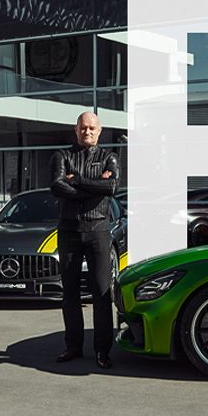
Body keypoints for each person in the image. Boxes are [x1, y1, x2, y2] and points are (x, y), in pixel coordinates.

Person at [50, 111, 120, 369]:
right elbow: (57, 186)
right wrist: (94, 187)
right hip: (69, 232)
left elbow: (112, 187)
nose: (87, 132)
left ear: (99, 131)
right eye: (83, 128)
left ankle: (103, 350)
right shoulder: (62, 156)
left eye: (92, 128)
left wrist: (78, 181)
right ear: (75, 130)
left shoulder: (109, 157)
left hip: (98, 232)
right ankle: (73, 346)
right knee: (69, 294)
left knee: (102, 293)